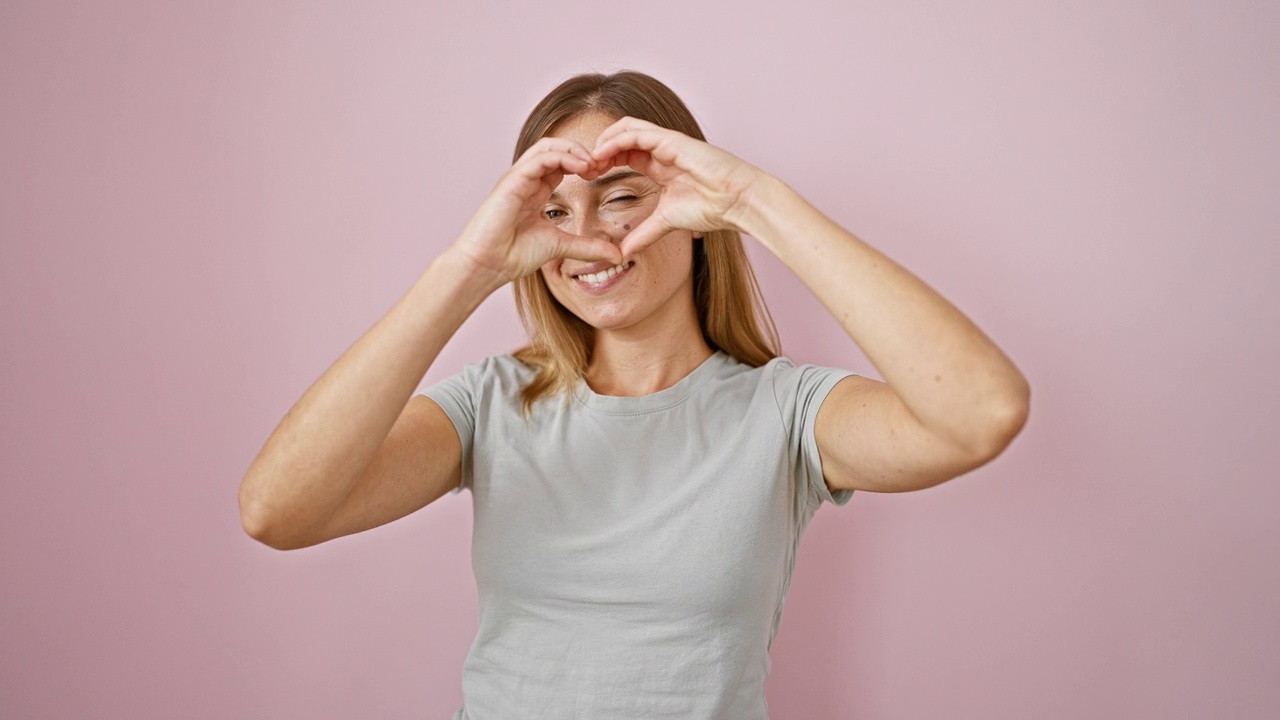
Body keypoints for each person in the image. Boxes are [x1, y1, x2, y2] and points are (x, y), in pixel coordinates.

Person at [238, 70, 1030, 719]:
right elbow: (277, 510)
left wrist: (753, 202)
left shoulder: (785, 414)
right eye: (555, 211)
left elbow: (980, 412)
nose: (591, 238)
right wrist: (467, 269)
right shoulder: (491, 405)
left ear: (693, 212)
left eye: (622, 197)